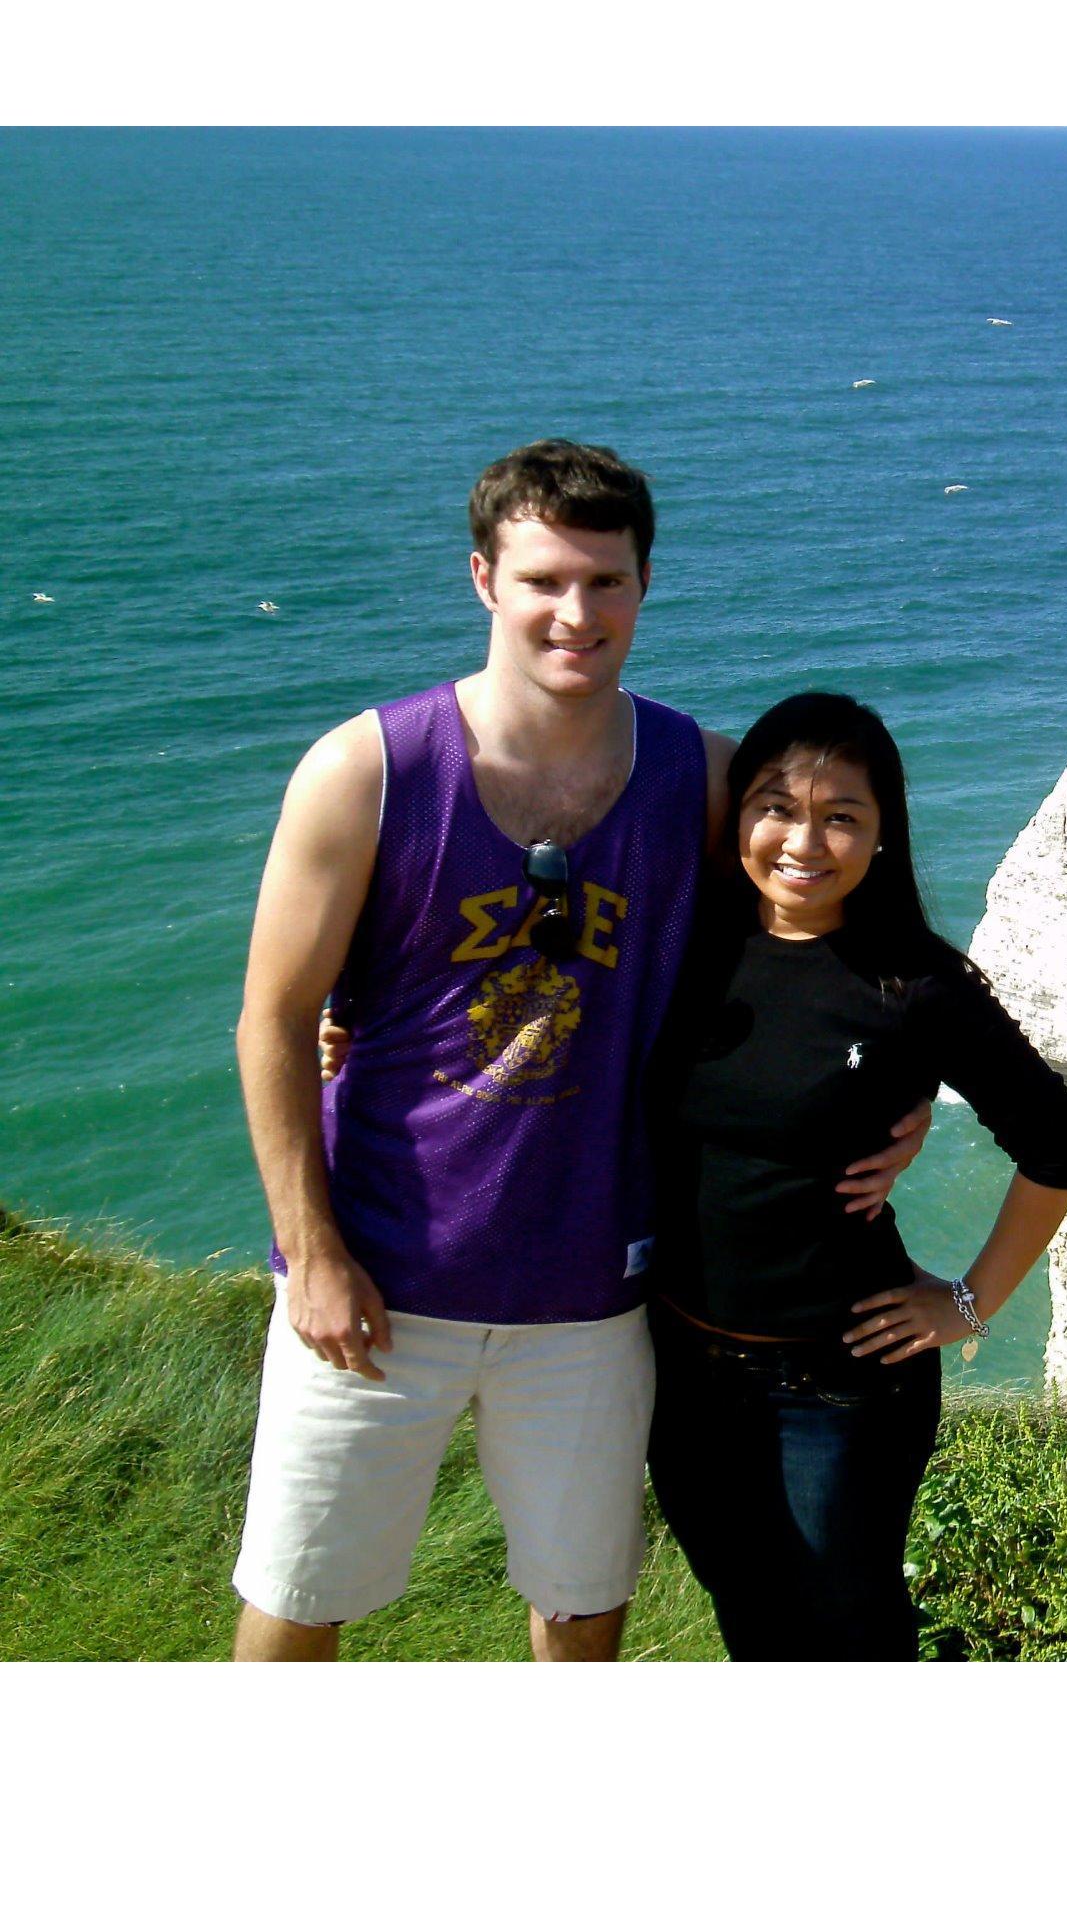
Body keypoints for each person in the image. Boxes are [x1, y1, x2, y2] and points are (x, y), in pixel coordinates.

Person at [231, 441, 927, 1662]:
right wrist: (316, 1249)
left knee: (580, 1601)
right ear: (483, 579)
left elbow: (828, 931)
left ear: (644, 586)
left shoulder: (698, 777)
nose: (576, 611)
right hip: (378, 1279)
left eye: (606, 581)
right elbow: (276, 1019)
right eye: (546, 577)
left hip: (598, 1289)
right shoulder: (367, 774)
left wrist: (900, 1089)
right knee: (299, 1597)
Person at [643, 693, 1067, 1661]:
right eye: (774, 804)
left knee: (847, 1630)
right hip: (678, 1366)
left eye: (840, 813)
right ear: (737, 819)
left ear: (882, 832)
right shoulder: (688, 943)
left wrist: (968, 1302)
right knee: (746, 1609)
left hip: (835, 1381)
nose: (803, 839)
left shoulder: (914, 982)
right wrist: (354, 1028)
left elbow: (1058, 1143)